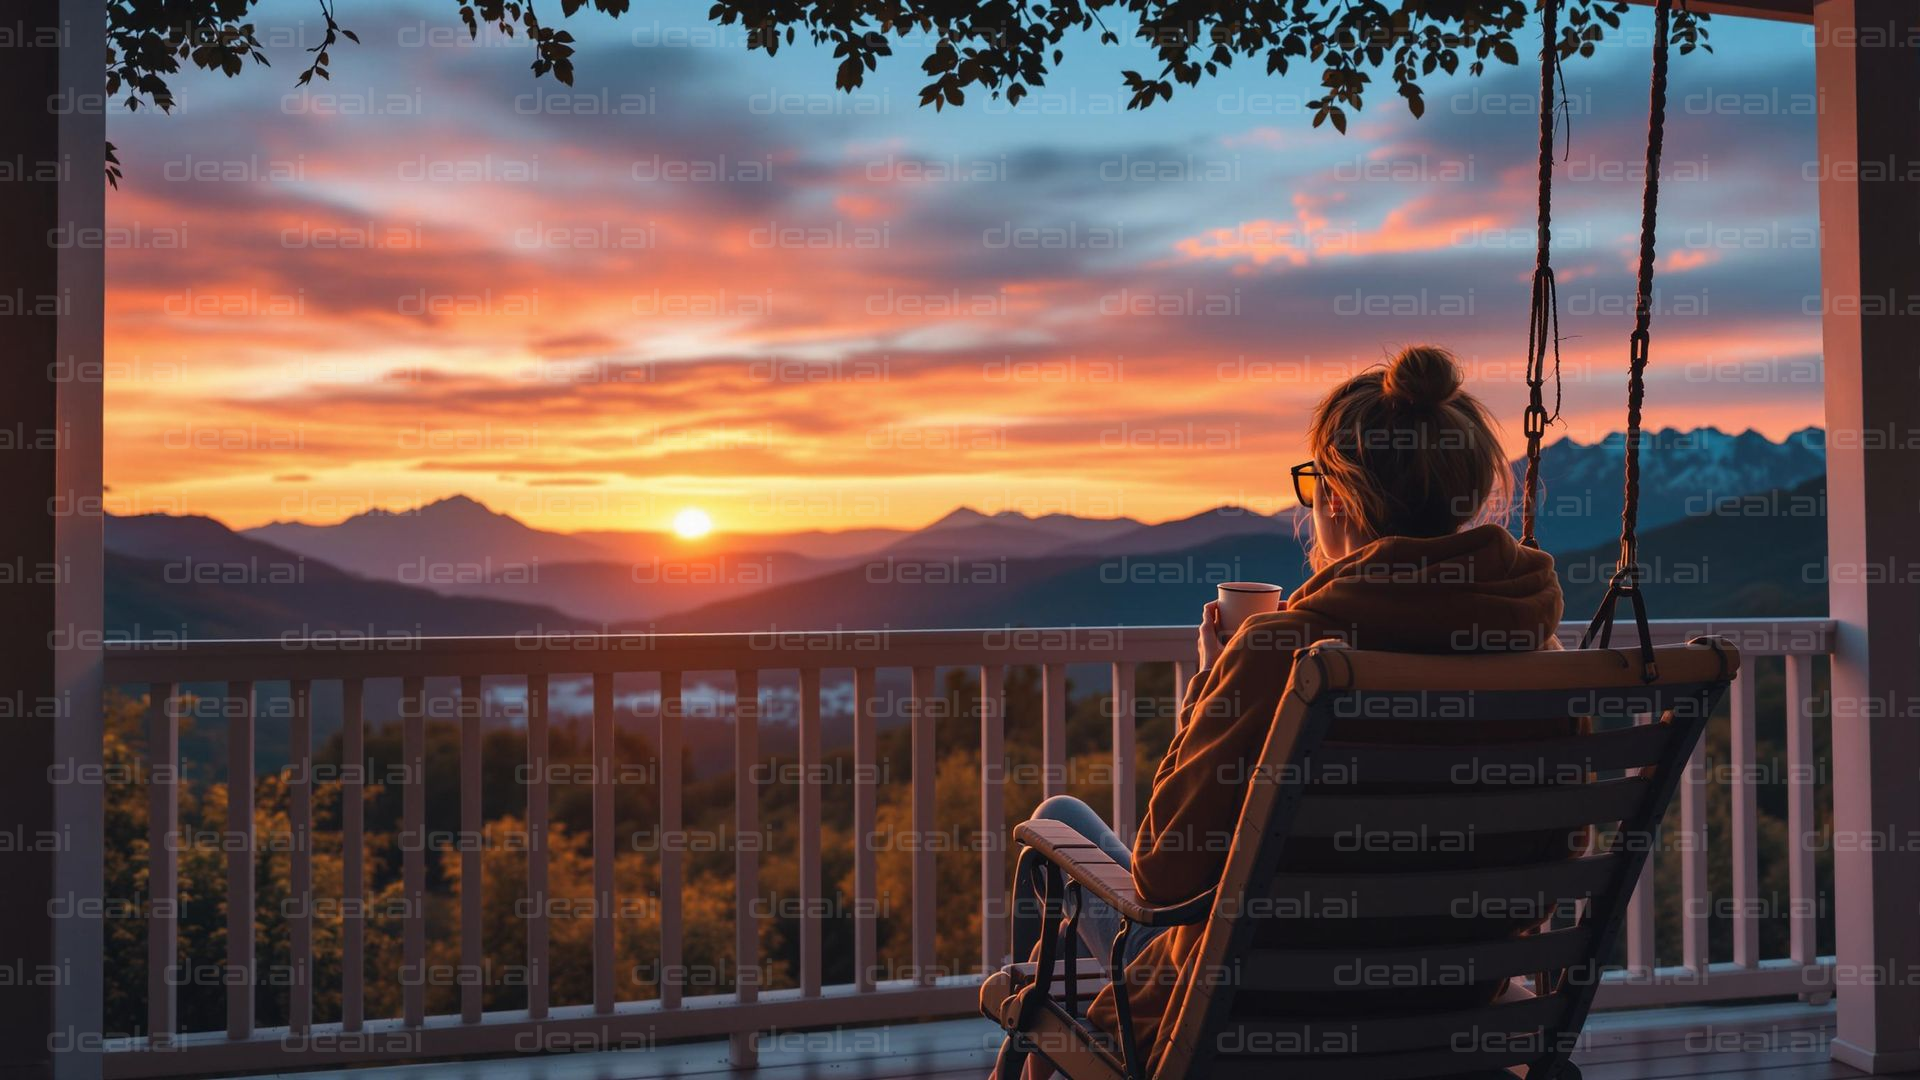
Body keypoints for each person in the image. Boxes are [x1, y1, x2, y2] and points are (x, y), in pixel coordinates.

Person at [1007, 345, 1572, 1078]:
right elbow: (1548, 871)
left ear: (1335, 497)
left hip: (1251, 1027)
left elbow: (1164, 881)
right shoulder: (1542, 661)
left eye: (1312, 487)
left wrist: (1214, 685)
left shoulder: (1287, 654)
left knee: (1058, 825)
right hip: (1446, 1021)